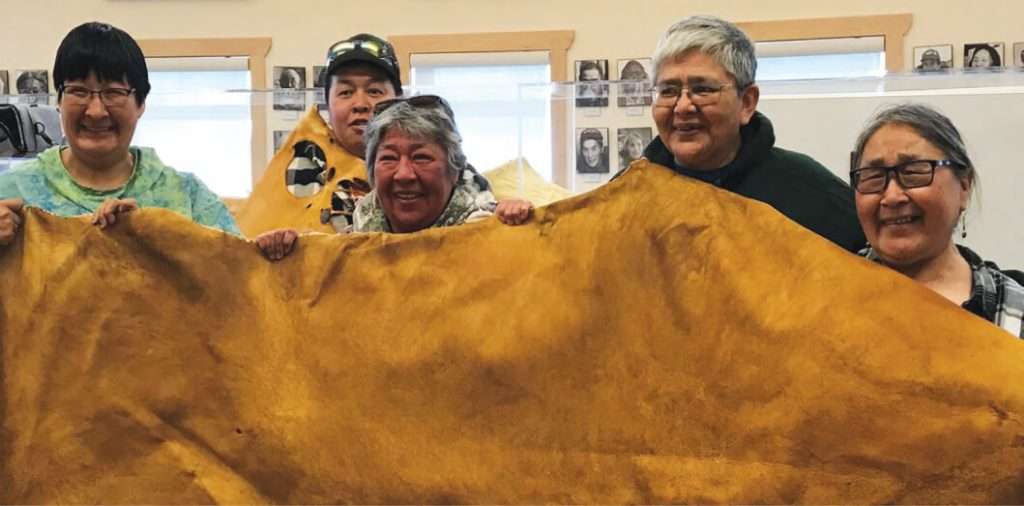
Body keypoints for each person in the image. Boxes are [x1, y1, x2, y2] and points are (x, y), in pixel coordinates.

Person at [629, 15, 865, 252]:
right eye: (668, 91)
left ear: (747, 102)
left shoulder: (810, 191)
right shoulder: (628, 196)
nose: (682, 107)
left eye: (702, 89)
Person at [0, 21, 239, 248]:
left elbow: (241, 270)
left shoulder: (188, 198)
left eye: (114, 93)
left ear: (141, 104)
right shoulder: (13, 190)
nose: (96, 111)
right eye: (79, 91)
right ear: (59, 100)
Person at [256, 95, 531, 259]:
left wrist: (520, 227)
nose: (404, 174)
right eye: (388, 158)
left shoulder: (488, 232)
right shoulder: (357, 239)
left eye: (421, 157)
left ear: (455, 170)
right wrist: (289, 250)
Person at [850, 103, 1022, 337]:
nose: (891, 197)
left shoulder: (1013, 313)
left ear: (964, 186)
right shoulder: (823, 293)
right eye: (873, 177)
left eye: (914, 172)